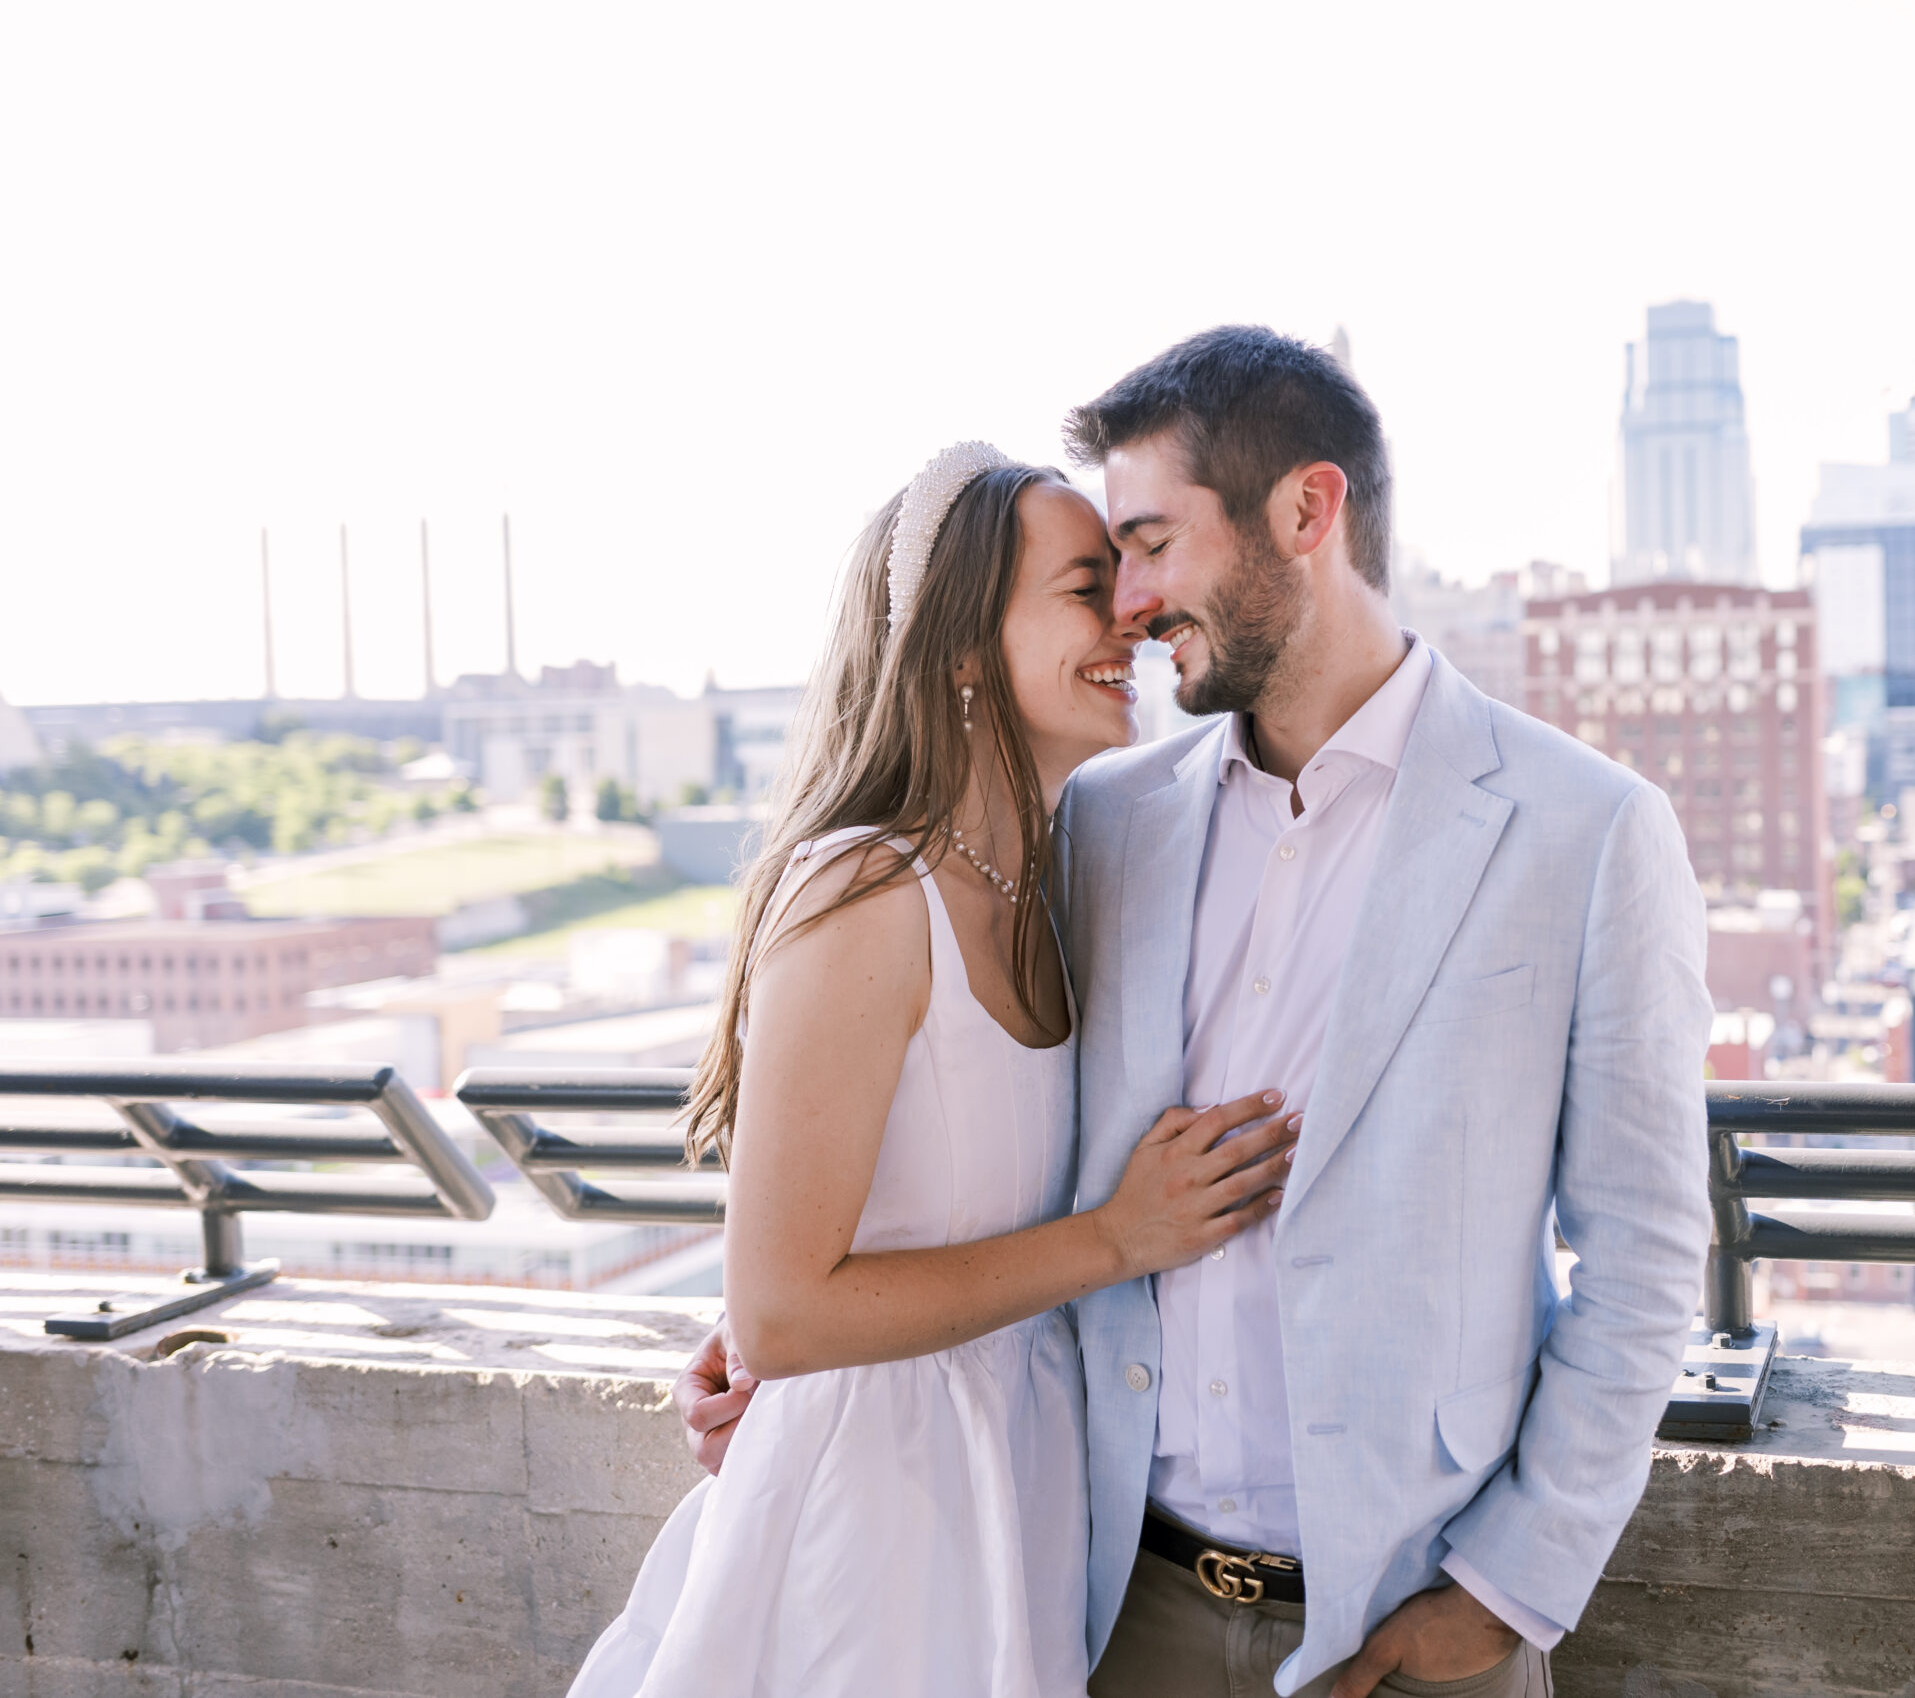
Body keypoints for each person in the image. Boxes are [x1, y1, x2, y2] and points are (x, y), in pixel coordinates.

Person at [681, 326, 1713, 1697]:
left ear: (1307, 509)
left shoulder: (1585, 829)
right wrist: (789, 1345)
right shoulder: (1103, 819)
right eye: (1107, 567)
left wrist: (1506, 1587)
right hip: (1109, 1600)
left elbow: (1644, 1257)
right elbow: (969, 1115)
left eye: (1154, 545)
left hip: (1406, 1617)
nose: (1134, 604)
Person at [570, 444, 1294, 1698]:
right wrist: (1120, 1237)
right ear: (963, 648)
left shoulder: (1062, 882)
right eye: (1085, 586)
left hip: (1019, 1485)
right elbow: (789, 1311)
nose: (1131, 610)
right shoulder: (863, 889)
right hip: (877, 1521)